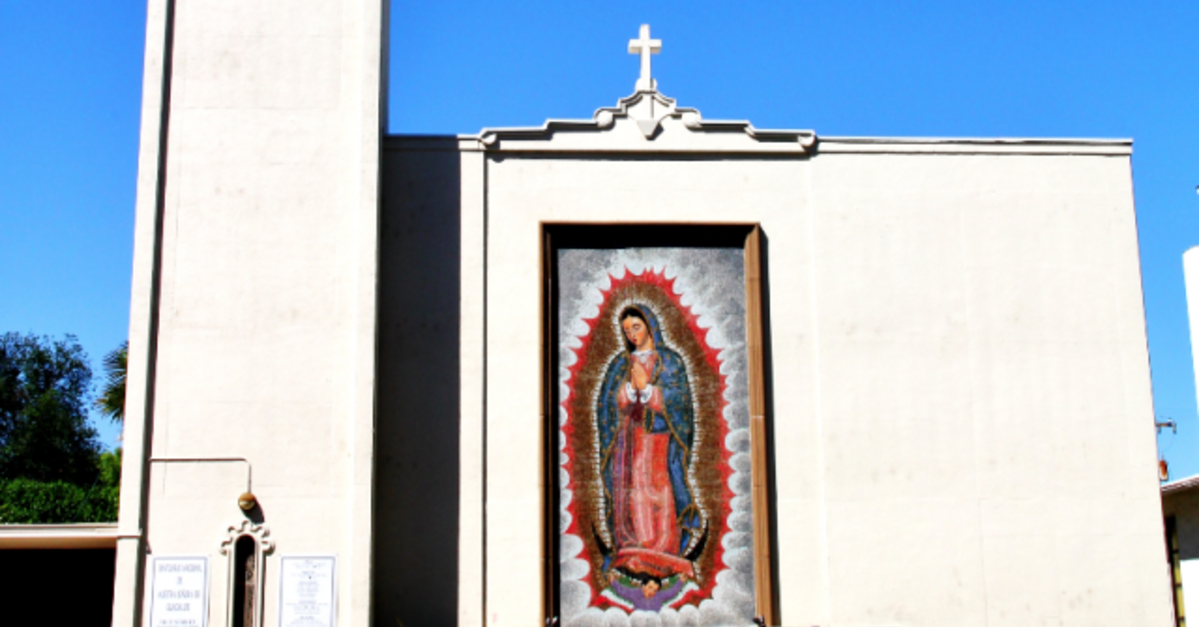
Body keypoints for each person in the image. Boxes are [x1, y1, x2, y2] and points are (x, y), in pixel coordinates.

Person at [596, 304, 704, 592]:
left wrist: (650, 390)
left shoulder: (670, 362)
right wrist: (629, 391)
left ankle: (664, 550)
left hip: (659, 440)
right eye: (627, 331)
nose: (632, 334)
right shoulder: (621, 364)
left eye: (636, 327)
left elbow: (680, 401)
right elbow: (608, 404)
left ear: (650, 326)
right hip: (629, 441)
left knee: (660, 490)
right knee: (633, 493)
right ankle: (636, 550)